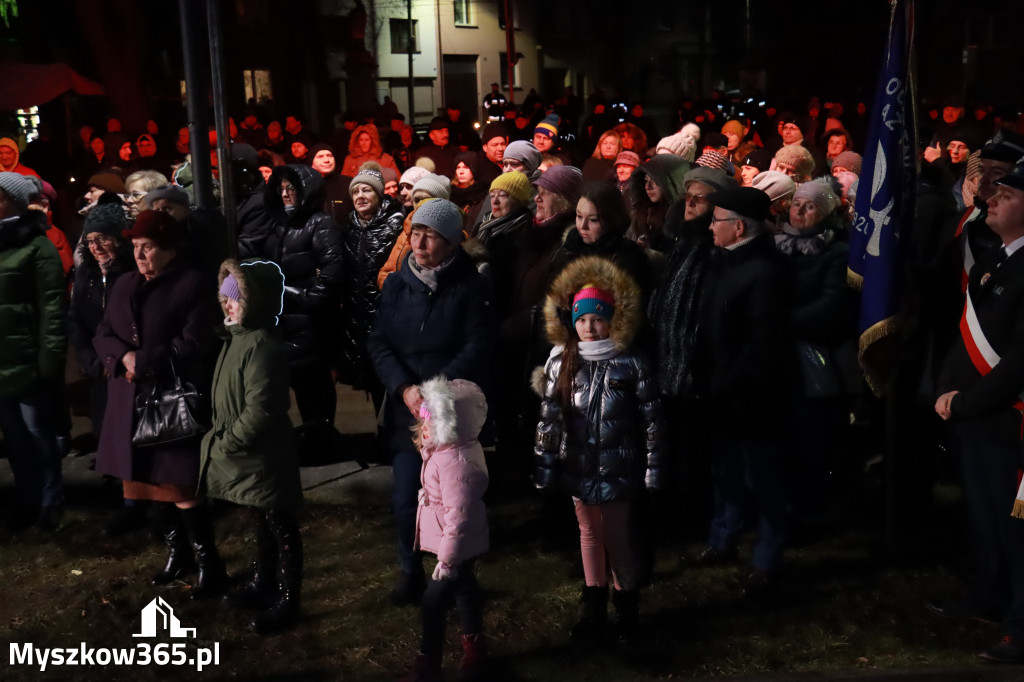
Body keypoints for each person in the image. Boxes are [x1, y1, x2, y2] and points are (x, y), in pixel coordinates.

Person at [93, 210, 226, 596]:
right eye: (135, 246)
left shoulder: (191, 284)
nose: (140, 255)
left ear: (169, 249)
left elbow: (195, 342)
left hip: (168, 401)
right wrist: (121, 357)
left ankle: (209, 563)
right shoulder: (123, 284)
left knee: (179, 487)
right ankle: (177, 553)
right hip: (129, 401)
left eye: (148, 247)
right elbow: (104, 333)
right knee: (144, 484)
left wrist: (145, 361)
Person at [368, 199, 494, 608]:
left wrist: (435, 391)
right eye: (415, 233)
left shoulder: (470, 286)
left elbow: (478, 343)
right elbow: (379, 341)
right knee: (406, 497)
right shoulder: (397, 284)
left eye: (430, 236)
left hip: (448, 411)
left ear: (452, 241)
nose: (419, 243)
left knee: (452, 499)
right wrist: (405, 388)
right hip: (408, 409)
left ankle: (454, 572)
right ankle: (410, 570)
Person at [534, 255, 664, 643]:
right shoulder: (562, 362)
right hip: (579, 465)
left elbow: (652, 421)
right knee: (588, 532)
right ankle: (593, 606)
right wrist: (544, 465)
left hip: (618, 467)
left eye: (597, 319)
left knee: (618, 536)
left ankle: (627, 606)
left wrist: (653, 468)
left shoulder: (631, 363)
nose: (589, 328)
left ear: (612, 320)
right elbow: (549, 419)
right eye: (582, 319)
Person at [930, 162, 1024, 663]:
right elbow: (962, 334)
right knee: (985, 517)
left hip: (1009, 417)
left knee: (1016, 524)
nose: (993, 199)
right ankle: (990, 593)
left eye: (1007, 194)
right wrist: (947, 387)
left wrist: (965, 400)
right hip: (974, 416)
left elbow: (1018, 361)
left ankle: (1022, 623)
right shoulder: (996, 259)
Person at [690, 187, 792, 594]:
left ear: (738, 227)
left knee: (762, 477)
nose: (710, 226)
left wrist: (730, 382)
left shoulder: (765, 271)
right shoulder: (724, 263)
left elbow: (761, 342)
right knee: (725, 471)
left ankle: (767, 557)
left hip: (753, 395)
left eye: (716, 220)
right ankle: (723, 537)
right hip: (721, 389)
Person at [201, 259, 304, 635]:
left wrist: (229, 441)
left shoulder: (260, 344)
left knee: (280, 525)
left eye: (236, 299)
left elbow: (262, 408)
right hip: (250, 455)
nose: (228, 306)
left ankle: (288, 598)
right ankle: (264, 582)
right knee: (259, 518)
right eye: (225, 299)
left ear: (255, 303)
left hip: (264, 455)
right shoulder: (237, 337)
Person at [774, 179, 856, 529]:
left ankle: (815, 510)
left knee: (815, 438)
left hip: (820, 357)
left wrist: (780, 321)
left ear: (824, 213)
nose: (800, 210)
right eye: (796, 203)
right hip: (783, 357)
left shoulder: (837, 252)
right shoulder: (778, 246)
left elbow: (831, 305)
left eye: (809, 206)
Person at [398, 377, 491, 681]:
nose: (424, 423)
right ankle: (475, 648)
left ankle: (428, 662)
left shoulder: (457, 463)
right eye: (425, 415)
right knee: (465, 588)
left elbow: (459, 515)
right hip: (455, 540)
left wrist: (447, 559)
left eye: (432, 418)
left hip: (455, 542)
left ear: (455, 423)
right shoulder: (447, 450)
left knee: (433, 602)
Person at [0, 172, 66, 531]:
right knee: (14, 439)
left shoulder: (37, 246)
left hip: (26, 358)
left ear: (13, 201)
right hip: (2, 360)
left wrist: (48, 358)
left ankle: (49, 501)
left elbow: (53, 306)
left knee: (38, 433)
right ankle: (26, 500)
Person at [256, 164, 344, 426]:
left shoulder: (321, 224)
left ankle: (321, 445)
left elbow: (330, 280)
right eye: (280, 189)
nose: (284, 194)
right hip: (281, 325)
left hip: (310, 327)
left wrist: (290, 294)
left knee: (313, 392)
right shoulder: (277, 225)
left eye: (291, 188)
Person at [337, 162, 405, 403]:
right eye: (355, 192)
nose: (360, 196)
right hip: (358, 318)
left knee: (393, 385)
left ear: (379, 193)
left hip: (388, 316)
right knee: (373, 386)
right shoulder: (349, 229)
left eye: (366, 190)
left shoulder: (397, 223)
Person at [562, 182, 651, 298]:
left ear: (612, 220)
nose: (582, 226)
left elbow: (628, 309)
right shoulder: (570, 248)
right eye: (579, 216)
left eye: (593, 220)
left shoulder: (628, 259)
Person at [627, 154, 690, 252]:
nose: (648, 187)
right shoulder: (640, 213)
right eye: (646, 180)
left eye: (655, 181)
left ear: (672, 182)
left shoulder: (684, 217)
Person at [474, 171, 534, 244]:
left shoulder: (527, 233)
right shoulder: (482, 226)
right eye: (492, 195)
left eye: (502, 195)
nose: (495, 201)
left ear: (519, 201)